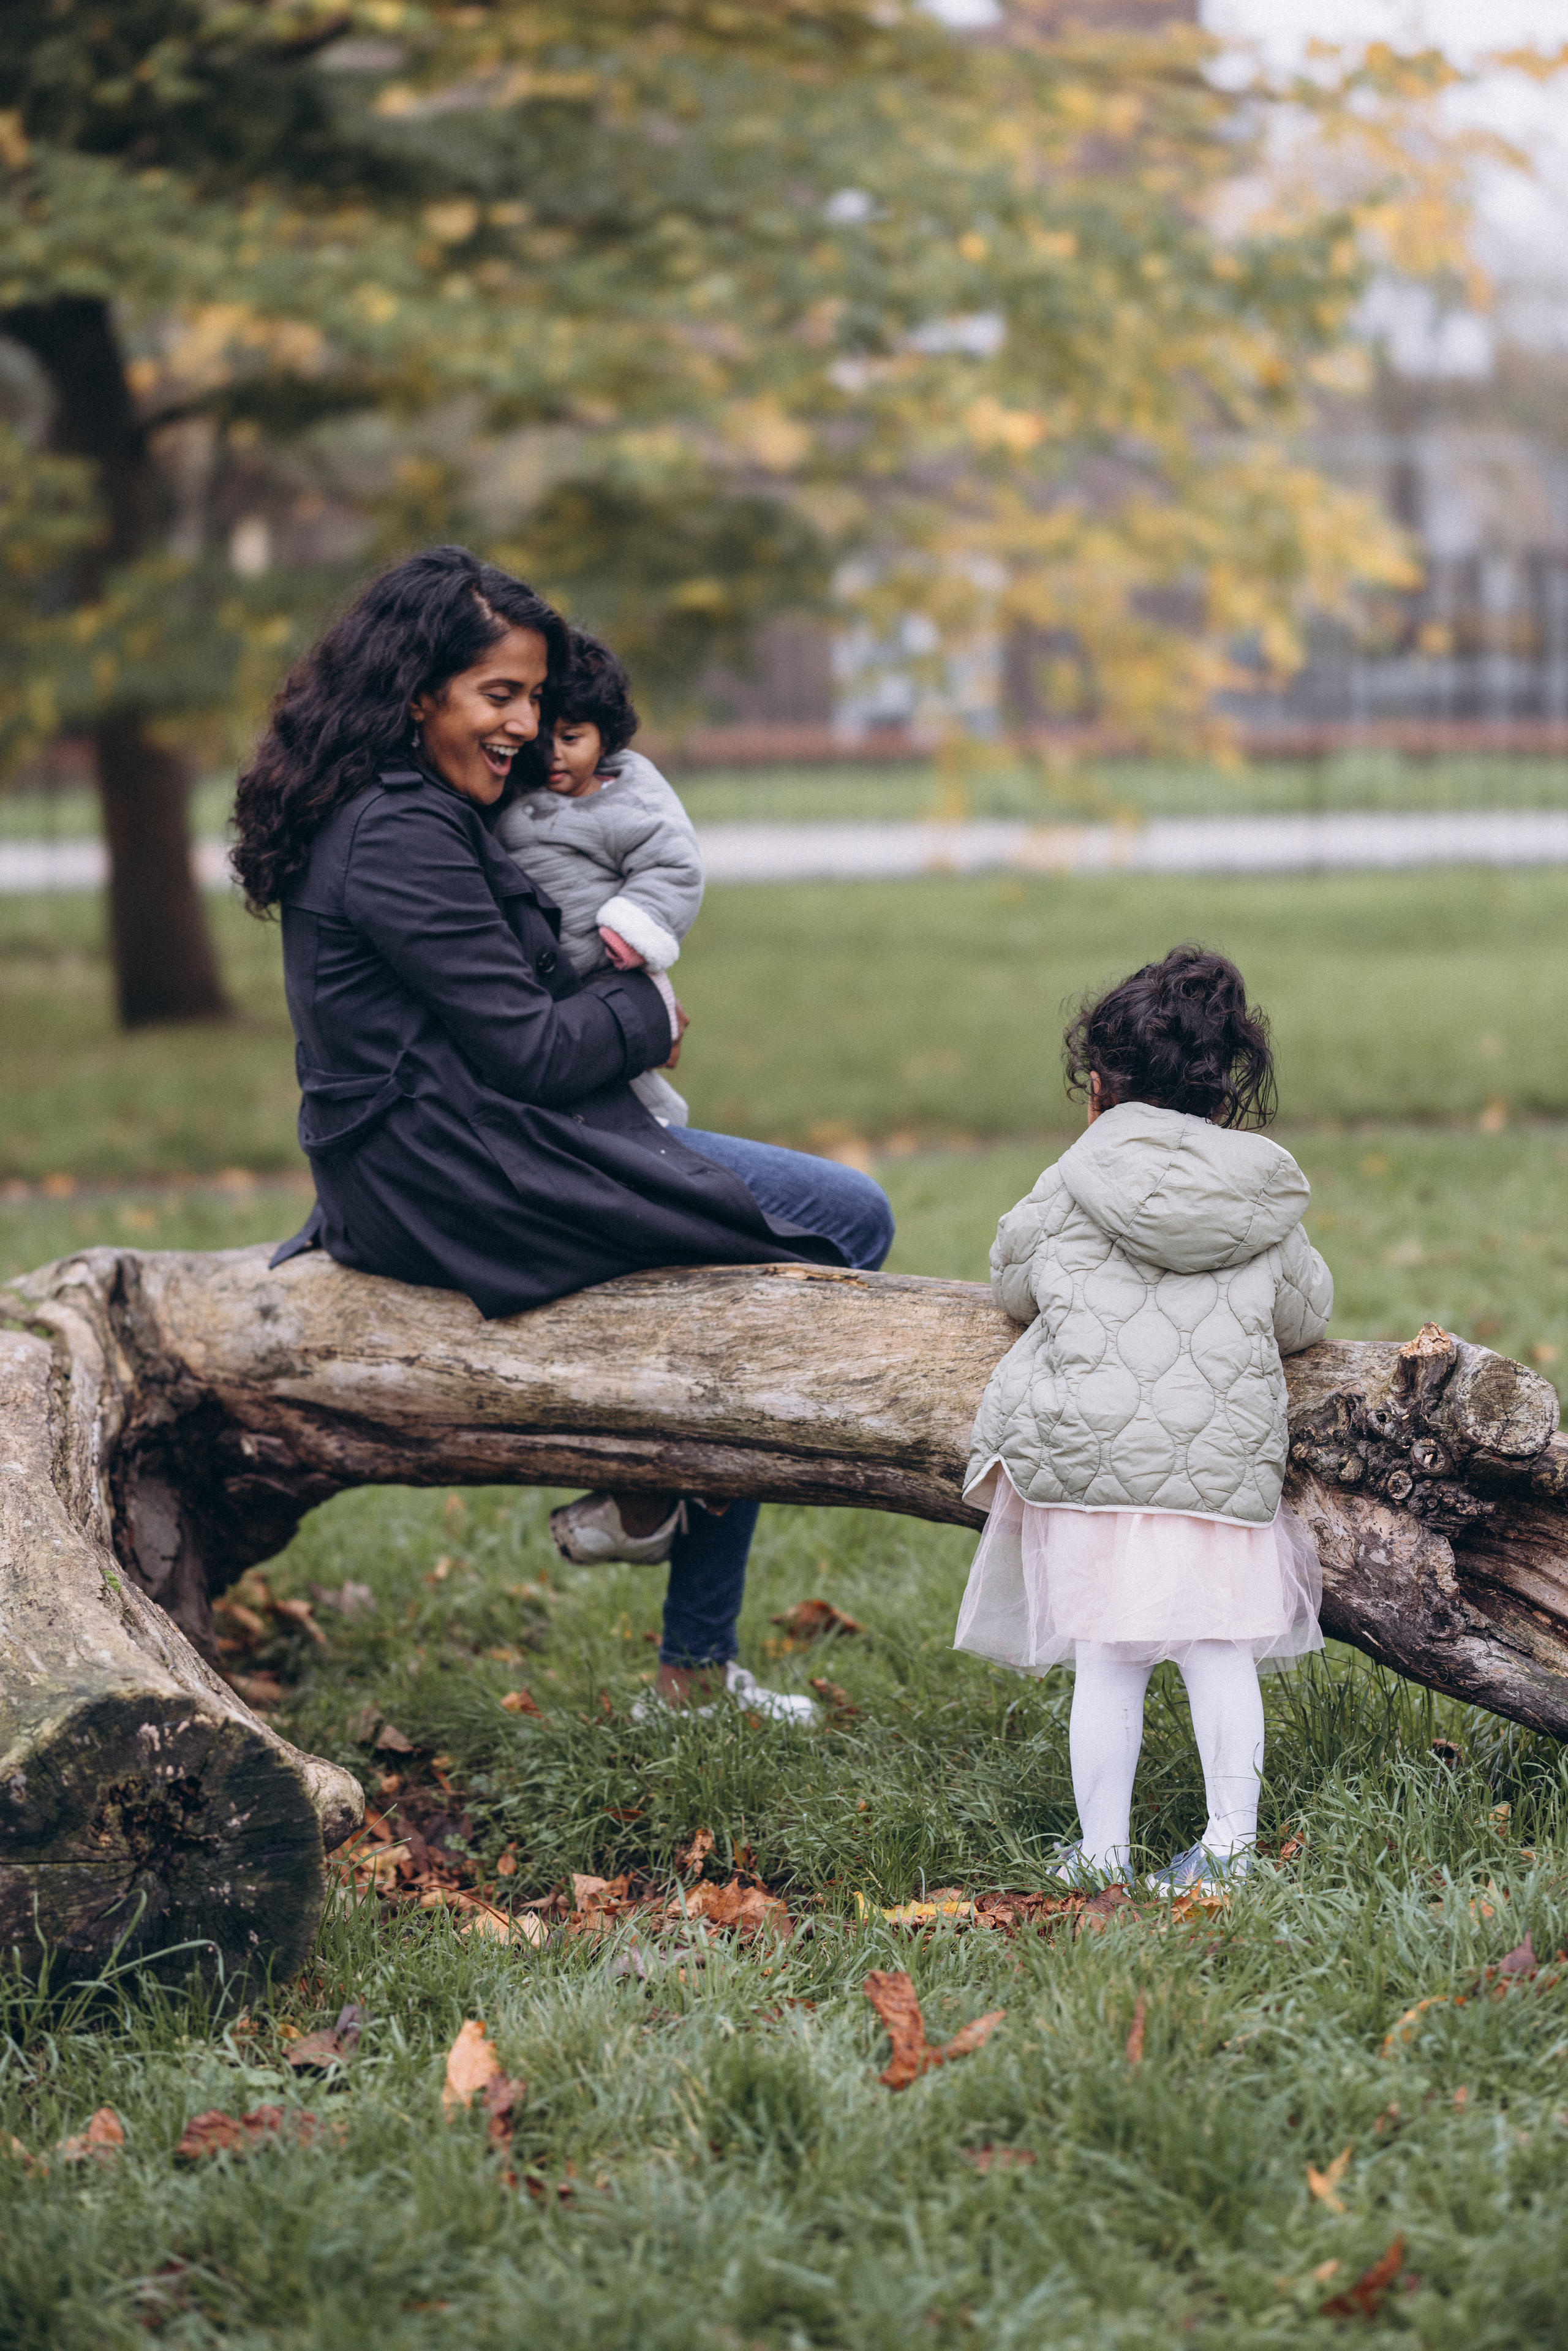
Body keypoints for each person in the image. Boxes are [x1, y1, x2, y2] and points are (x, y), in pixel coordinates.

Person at [232, 545, 893, 1723]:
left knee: (788, 1240)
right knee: (848, 1217)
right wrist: (644, 1010)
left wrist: (611, 1013)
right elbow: (531, 1048)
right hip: (459, 1176)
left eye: (536, 697)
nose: (529, 725)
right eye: (501, 695)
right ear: (416, 689)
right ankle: (674, 1566)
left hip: (442, 1154)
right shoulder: (400, 833)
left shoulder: (409, 806)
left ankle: (675, 1584)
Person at [953, 945, 1332, 1890]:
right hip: (1217, 1471)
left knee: (1107, 1662)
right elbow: (1305, 1312)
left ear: (1097, 1087)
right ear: (1222, 1093)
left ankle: (1102, 1850)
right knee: (1218, 1654)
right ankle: (1233, 1846)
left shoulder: (1069, 1181)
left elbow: (1010, 1282)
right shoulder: (1260, 1194)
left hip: (1089, 1466)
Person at [494, 625, 698, 1133]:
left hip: (607, 964)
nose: (555, 755)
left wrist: (635, 930)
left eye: (572, 739)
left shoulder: (623, 800)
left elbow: (674, 865)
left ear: (604, 736)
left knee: (635, 1082)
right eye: (545, 739)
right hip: (545, 977)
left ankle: (663, 1133)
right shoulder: (509, 788)